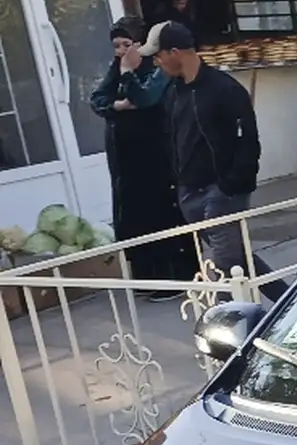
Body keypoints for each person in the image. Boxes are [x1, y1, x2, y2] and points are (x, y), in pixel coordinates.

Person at [146, 20, 261, 276]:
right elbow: (172, 140)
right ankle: (289, 302)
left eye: (158, 56)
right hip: (191, 194)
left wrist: (229, 186)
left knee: (224, 271)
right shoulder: (173, 94)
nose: (156, 62)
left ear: (174, 52)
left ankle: (226, 316)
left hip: (222, 193)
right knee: (240, 263)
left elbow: (249, 142)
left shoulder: (225, 89)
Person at [88, 18, 184, 271]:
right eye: (116, 46)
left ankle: (170, 275)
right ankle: (145, 274)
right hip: (124, 158)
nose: (120, 51)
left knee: (158, 214)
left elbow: (145, 98)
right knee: (133, 216)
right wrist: (114, 106)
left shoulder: (156, 68)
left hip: (153, 153)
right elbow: (98, 98)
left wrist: (129, 75)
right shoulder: (117, 68)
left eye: (126, 44)